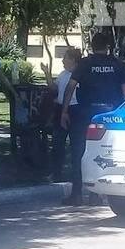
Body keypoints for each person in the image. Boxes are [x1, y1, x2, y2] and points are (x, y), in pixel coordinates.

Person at [60, 33, 125, 205]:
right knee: (104, 152)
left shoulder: (85, 63)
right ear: (107, 47)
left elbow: (71, 86)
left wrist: (64, 111)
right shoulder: (116, 64)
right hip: (109, 115)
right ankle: (95, 194)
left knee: (79, 152)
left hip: (85, 113)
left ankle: (76, 194)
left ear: (92, 46)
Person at [41, 48, 82, 183]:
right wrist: (47, 74)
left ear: (73, 60)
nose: (63, 60)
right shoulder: (63, 74)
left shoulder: (80, 75)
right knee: (57, 143)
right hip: (60, 109)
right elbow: (54, 88)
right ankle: (56, 173)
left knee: (76, 144)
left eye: (66, 57)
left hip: (75, 110)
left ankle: (76, 173)